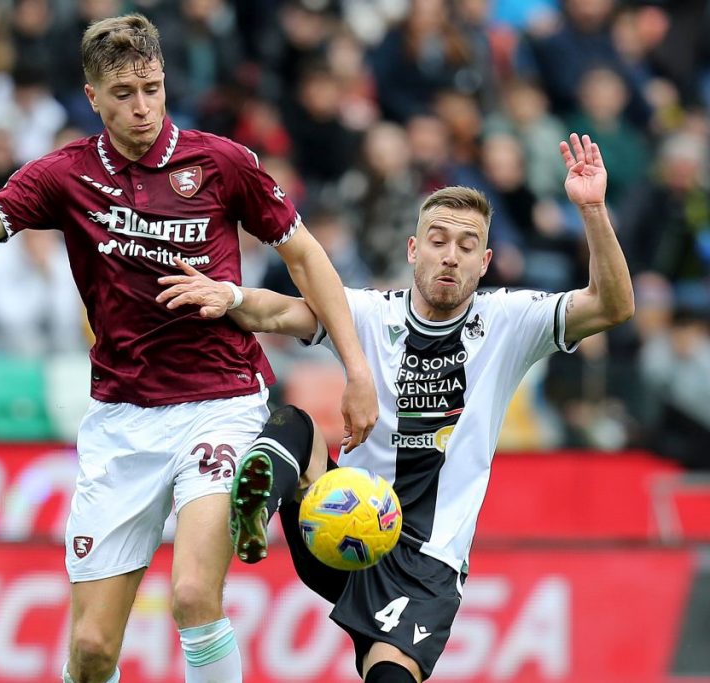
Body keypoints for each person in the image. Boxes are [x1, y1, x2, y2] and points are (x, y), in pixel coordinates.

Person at [0, 14, 378, 683]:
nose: (142, 106)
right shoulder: (64, 176)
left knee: (194, 594)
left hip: (221, 401)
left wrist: (356, 369)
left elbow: (308, 258)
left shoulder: (221, 163)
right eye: (124, 93)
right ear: (92, 97)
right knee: (92, 649)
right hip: (122, 422)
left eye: (152, 88)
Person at [156, 133, 634, 682]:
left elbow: (613, 305)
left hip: (426, 563)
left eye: (466, 245)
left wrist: (593, 210)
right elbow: (282, 313)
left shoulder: (511, 321)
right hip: (339, 525)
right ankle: (252, 519)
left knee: (390, 678)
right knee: (295, 424)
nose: (450, 255)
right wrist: (233, 296)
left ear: (485, 263)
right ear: (413, 251)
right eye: (438, 241)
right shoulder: (366, 312)